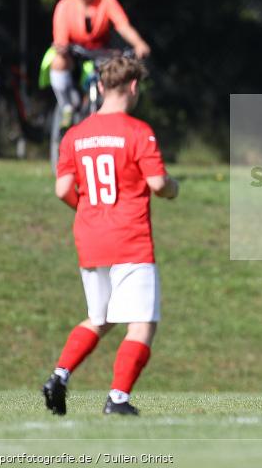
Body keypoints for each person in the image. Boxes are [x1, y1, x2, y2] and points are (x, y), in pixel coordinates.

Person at [42, 56, 178, 416]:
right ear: (134, 86)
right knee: (142, 323)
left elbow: (62, 189)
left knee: (100, 318)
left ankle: (59, 376)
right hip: (129, 238)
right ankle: (118, 399)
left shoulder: (75, 134)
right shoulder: (138, 131)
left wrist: (88, 210)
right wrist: (173, 188)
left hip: (90, 238)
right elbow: (158, 183)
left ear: (101, 87)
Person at [48, 0, 151, 126]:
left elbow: (122, 25)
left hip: (101, 52)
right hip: (74, 52)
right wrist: (62, 49)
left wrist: (139, 44)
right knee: (58, 62)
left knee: (118, 73)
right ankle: (67, 106)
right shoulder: (64, 6)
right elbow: (61, 41)